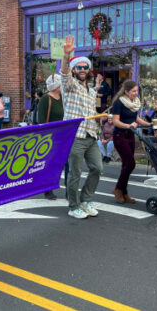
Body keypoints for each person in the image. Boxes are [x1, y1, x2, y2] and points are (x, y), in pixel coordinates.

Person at [60, 35, 102, 219]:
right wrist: (66, 57)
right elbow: (64, 75)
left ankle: (85, 199)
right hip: (75, 135)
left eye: (85, 67)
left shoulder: (90, 91)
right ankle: (73, 206)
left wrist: (101, 120)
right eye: (79, 67)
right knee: (75, 173)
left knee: (97, 168)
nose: (83, 69)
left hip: (91, 135)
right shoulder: (70, 86)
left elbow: (91, 109)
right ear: (74, 69)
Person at [111, 79, 151, 204]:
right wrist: (128, 125)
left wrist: (148, 124)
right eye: (133, 91)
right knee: (130, 163)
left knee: (126, 165)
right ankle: (118, 189)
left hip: (130, 135)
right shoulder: (119, 102)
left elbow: (136, 118)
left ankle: (124, 192)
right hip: (120, 135)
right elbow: (115, 121)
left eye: (136, 91)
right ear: (127, 91)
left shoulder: (134, 102)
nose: (136, 93)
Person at [35, 73, 66, 200]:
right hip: (50, 137)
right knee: (50, 163)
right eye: (61, 84)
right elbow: (41, 120)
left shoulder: (63, 98)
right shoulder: (45, 99)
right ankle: (48, 189)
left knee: (61, 163)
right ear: (56, 86)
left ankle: (65, 188)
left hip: (63, 135)